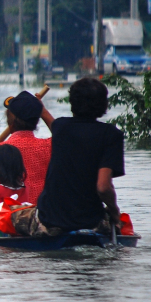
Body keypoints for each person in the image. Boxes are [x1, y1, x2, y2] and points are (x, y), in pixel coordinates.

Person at [13, 78, 124, 236]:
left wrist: (40, 108)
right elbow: (104, 188)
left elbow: (103, 186)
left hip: (48, 221)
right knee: (116, 224)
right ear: (104, 105)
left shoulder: (61, 128)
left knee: (8, 213)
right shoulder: (112, 135)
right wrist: (114, 211)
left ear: (72, 103)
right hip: (91, 222)